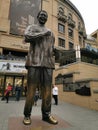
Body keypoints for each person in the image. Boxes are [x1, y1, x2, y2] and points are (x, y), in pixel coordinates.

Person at [23, 10, 58, 125]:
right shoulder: (32, 27)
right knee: (31, 90)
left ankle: (46, 115)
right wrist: (42, 34)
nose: (43, 16)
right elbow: (26, 37)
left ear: (47, 18)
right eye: (41, 15)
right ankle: (27, 115)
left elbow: (51, 49)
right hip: (34, 62)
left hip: (47, 63)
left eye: (45, 15)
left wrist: (56, 52)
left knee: (48, 91)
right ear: (38, 17)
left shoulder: (51, 33)